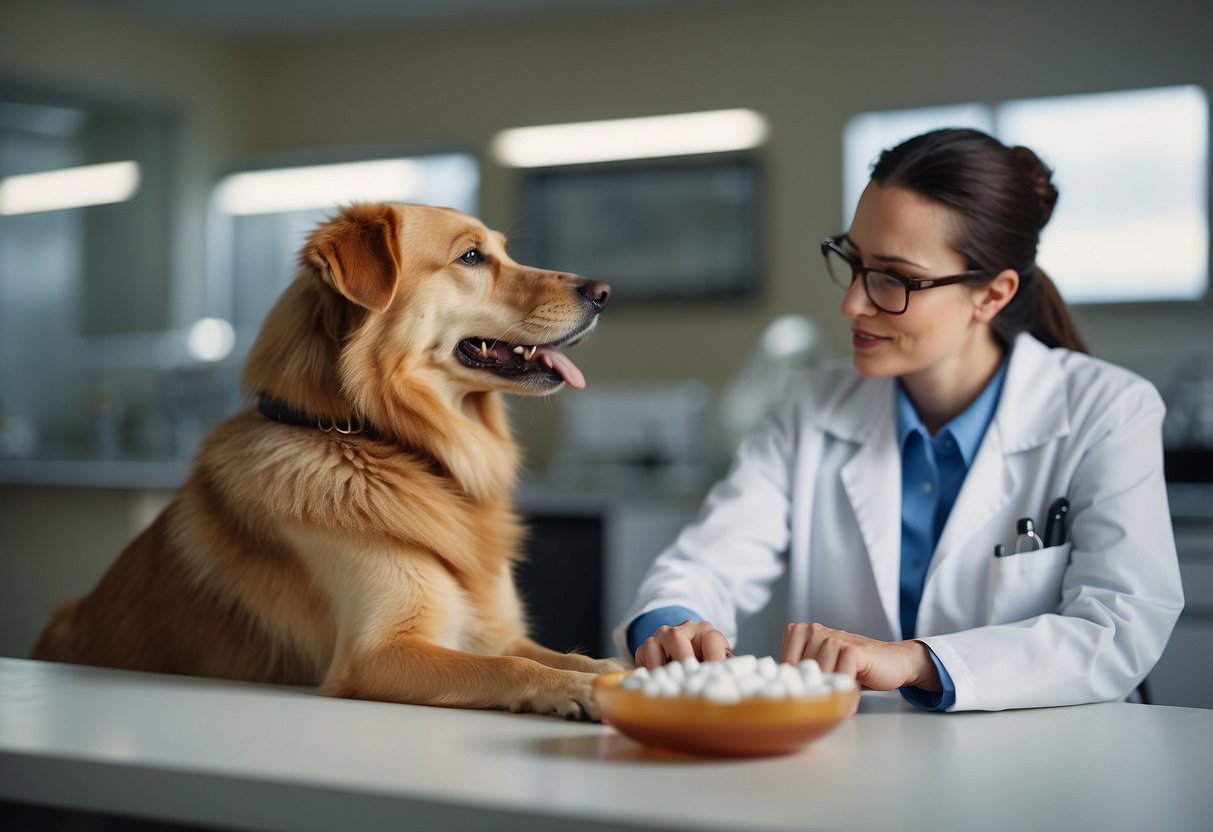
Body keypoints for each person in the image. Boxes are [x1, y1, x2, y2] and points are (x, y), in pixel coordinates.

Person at [615, 127, 1184, 711]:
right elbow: (709, 561)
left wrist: (914, 660)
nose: (852, 303)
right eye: (854, 261)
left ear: (993, 294)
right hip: (859, 767)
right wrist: (674, 626)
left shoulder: (1108, 410)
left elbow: (1117, 629)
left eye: (893, 278)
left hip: (1048, 769)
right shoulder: (810, 408)